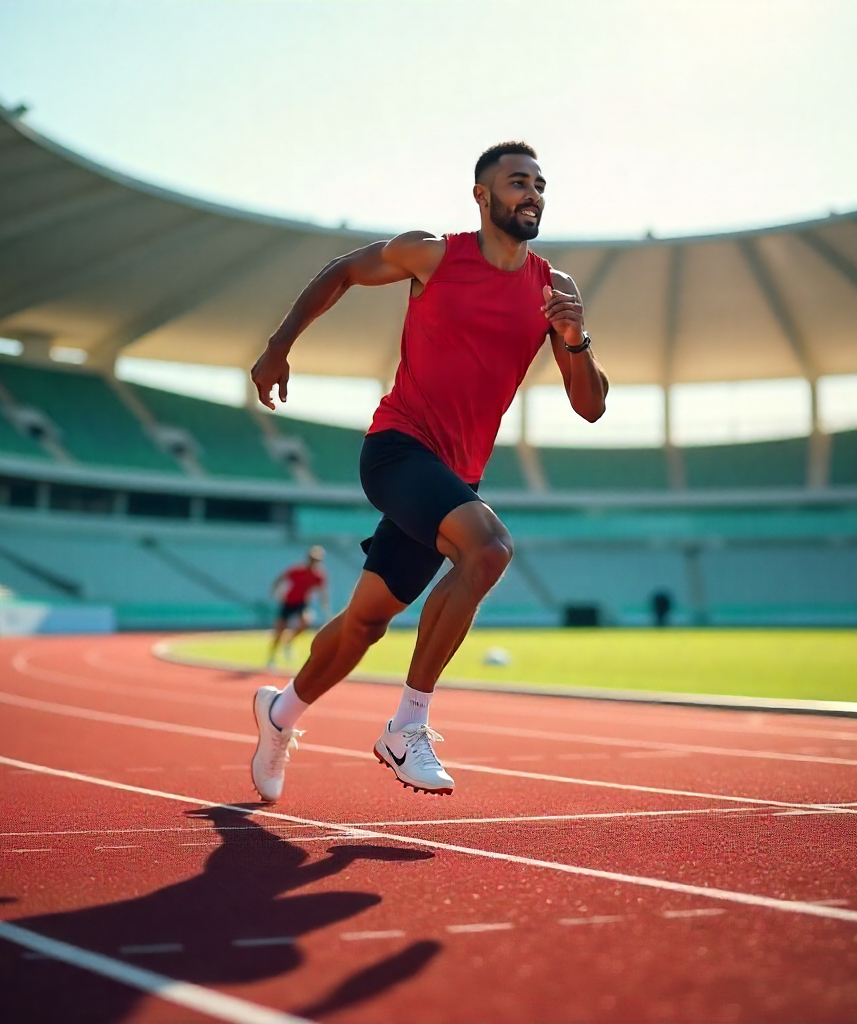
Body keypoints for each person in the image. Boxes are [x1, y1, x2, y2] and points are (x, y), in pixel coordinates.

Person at [248, 141, 608, 801]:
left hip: (454, 479)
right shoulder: (433, 254)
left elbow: (590, 407)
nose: (532, 193)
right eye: (517, 181)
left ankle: (279, 715)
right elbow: (341, 272)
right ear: (482, 195)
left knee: (364, 623)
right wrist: (278, 345)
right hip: (396, 448)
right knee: (491, 547)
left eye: (539, 184)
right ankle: (407, 725)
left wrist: (576, 338)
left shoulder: (554, 290)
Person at [267, 546, 329, 665]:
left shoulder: (318, 575)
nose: (314, 562)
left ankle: (289, 641)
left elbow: (322, 591)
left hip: (302, 603)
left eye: (317, 560)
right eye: (312, 559)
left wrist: (324, 605)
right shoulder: (297, 571)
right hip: (289, 602)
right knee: (279, 630)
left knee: (306, 621)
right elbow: (281, 578)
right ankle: (272, 657)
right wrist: (275, 591)